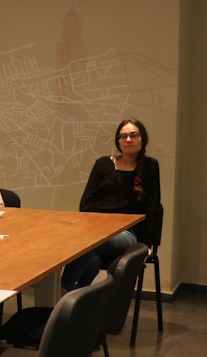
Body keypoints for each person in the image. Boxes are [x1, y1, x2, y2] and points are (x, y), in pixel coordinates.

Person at [60, 117, 162, 291]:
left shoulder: (150, 166)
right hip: (95, 229)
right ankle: (79, 300)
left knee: (86, 243)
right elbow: (86, 204)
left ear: (142, 138)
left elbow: (153, 207)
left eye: (133, 135)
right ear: (117, 141)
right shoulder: (103, 164)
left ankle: (62, 293)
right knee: (91, 256)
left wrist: (145, 244)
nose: (128, 140)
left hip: (127, 233)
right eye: (123, 136)